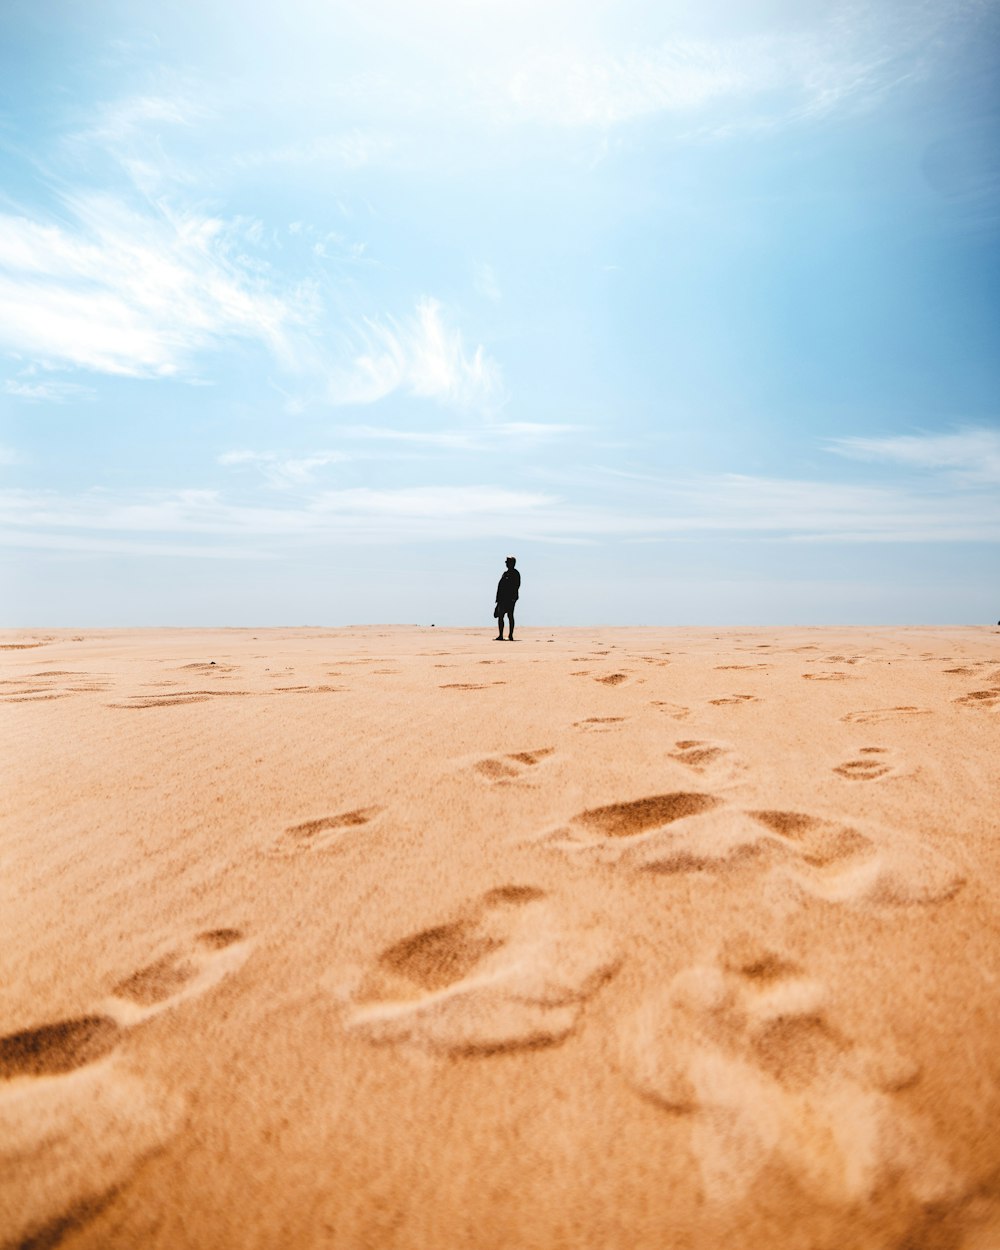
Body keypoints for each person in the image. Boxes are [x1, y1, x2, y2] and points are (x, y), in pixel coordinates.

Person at [495, 555, 520, 640]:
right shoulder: (505, 573)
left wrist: (513, 598)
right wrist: (497, 600)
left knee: (510, 615)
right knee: (500, 616)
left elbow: (516, 586)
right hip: (502, 599)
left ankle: (510, 635)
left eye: (507, 562)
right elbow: (500, 587)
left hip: (510, 599)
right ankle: (501, 635)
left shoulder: (515, 573)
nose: (506, 563)